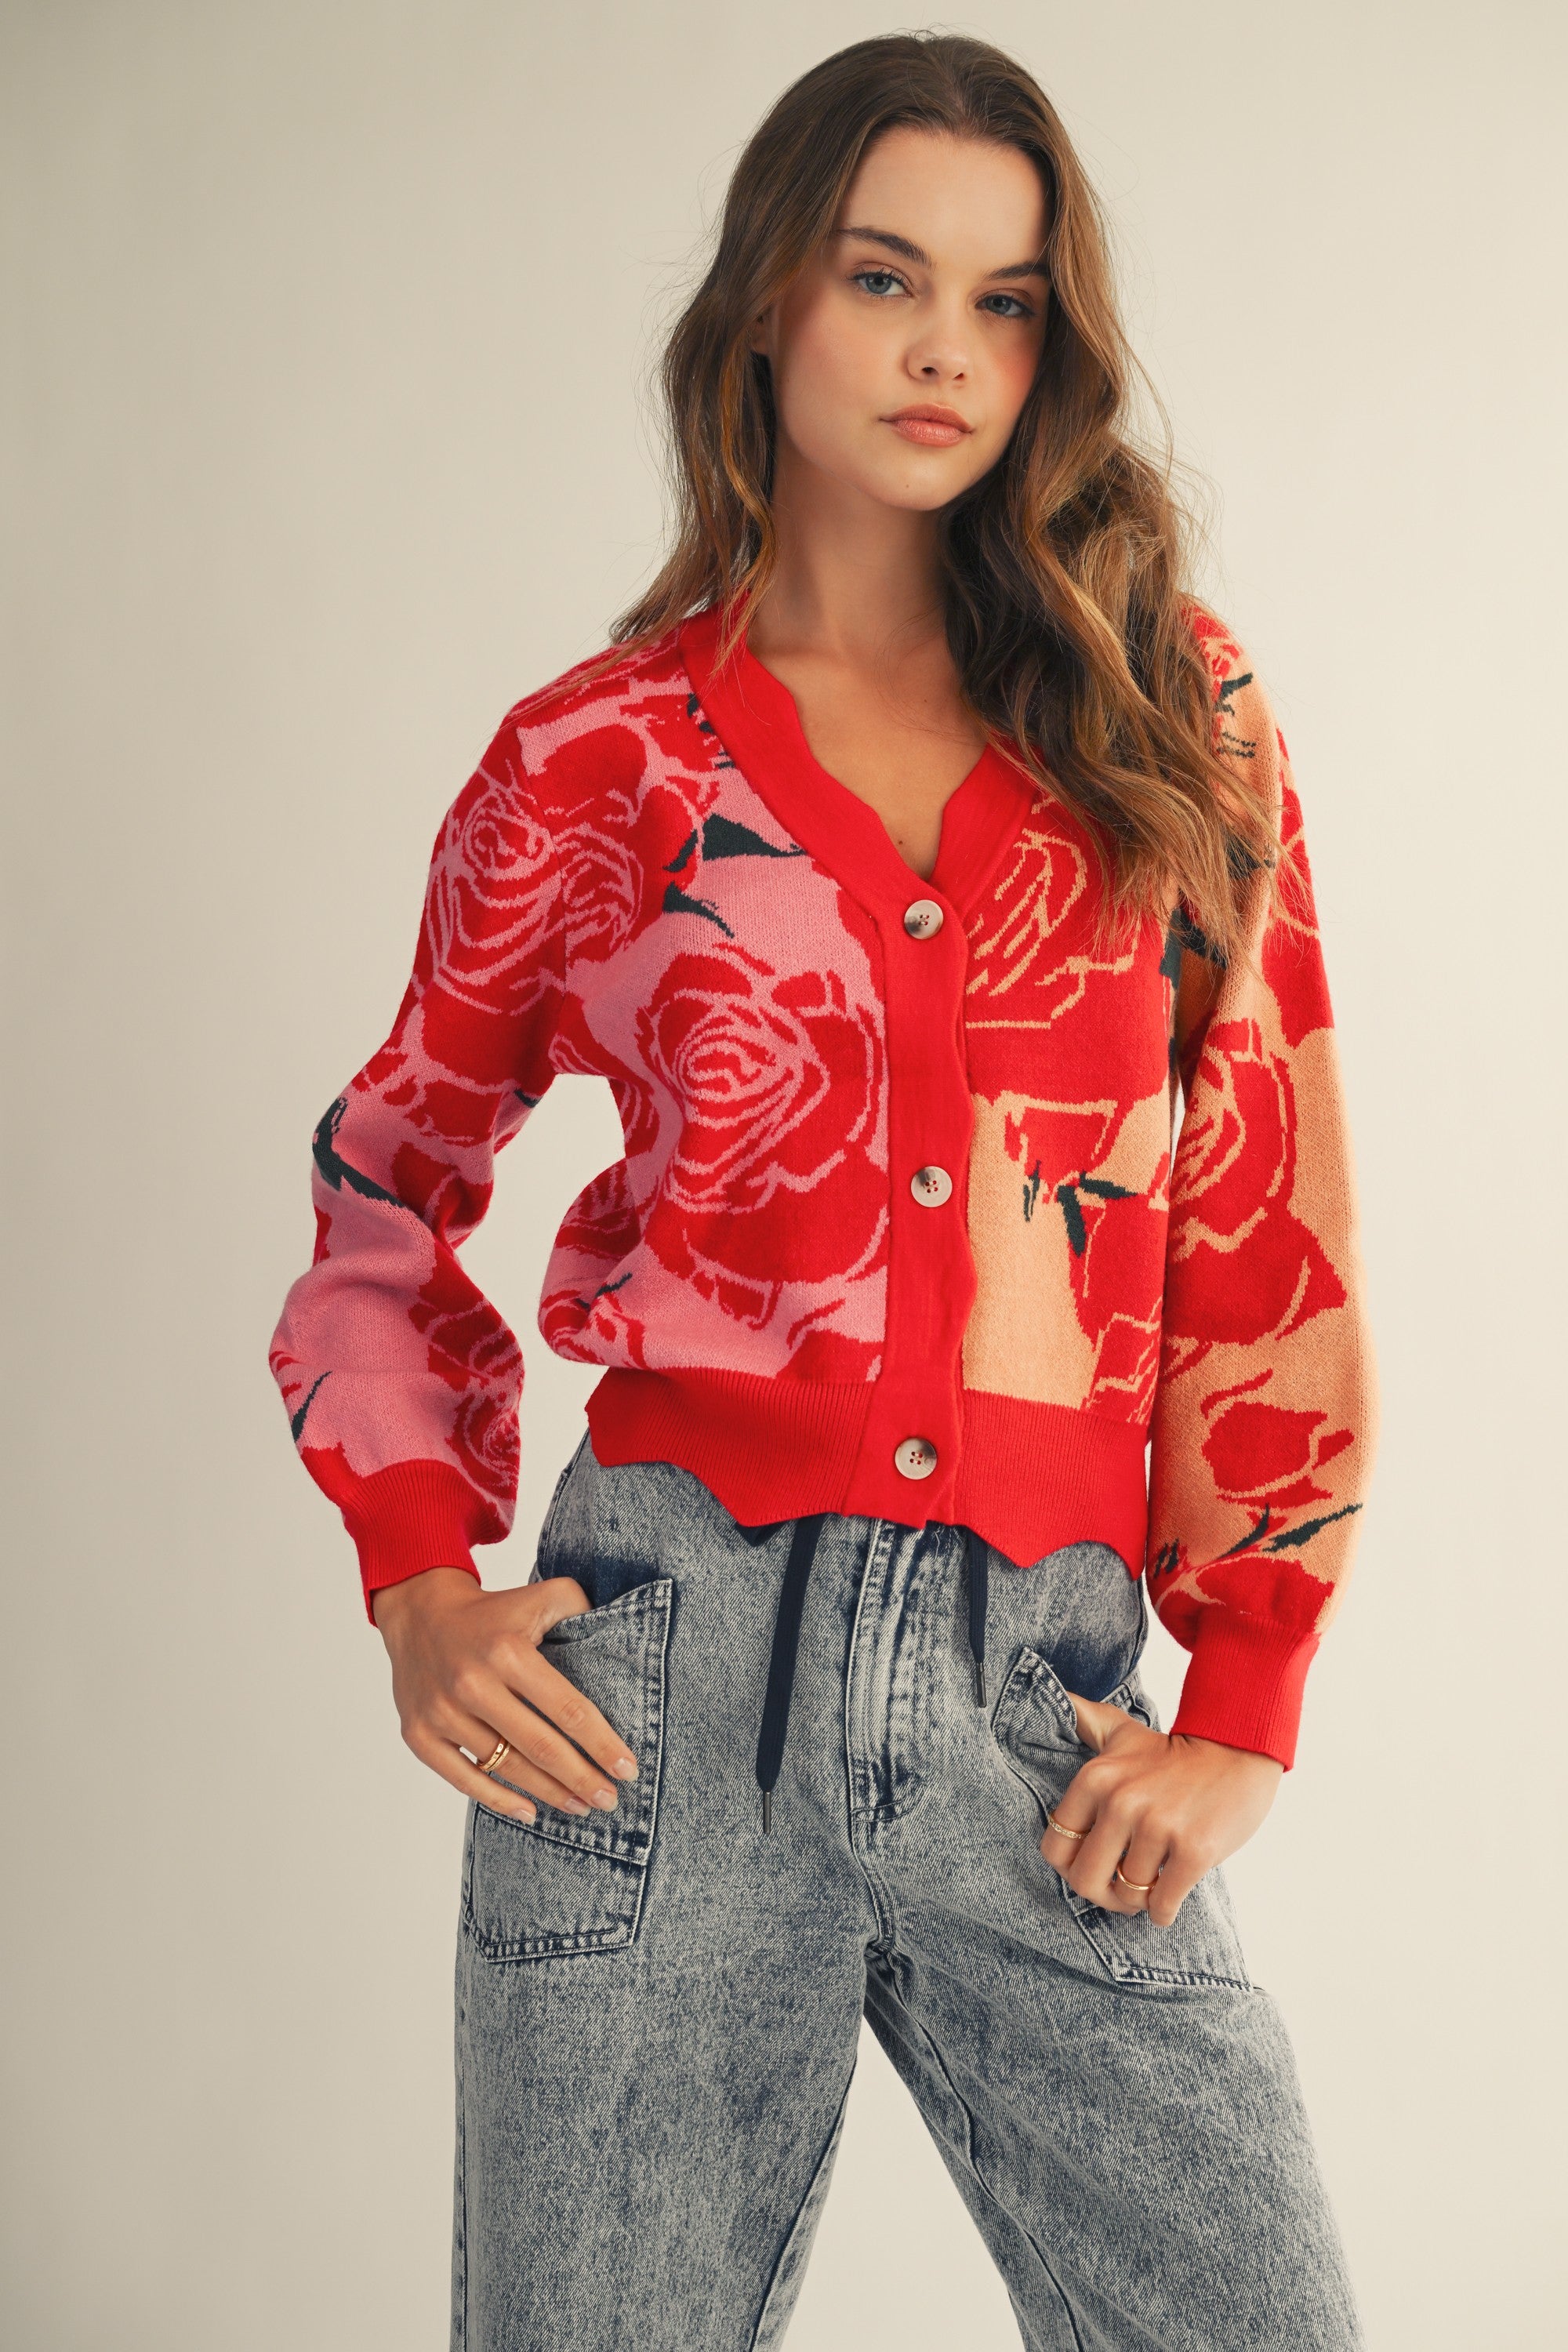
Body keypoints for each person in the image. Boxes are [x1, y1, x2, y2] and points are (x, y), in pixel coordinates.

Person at [267, 31, 1377, 2350]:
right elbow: (387, 1194)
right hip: (654, 1693)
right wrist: (420, 1585)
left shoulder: (1169, 719)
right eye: (885, 278)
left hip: (1047, 1717)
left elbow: (1265, 1193)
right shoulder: (598, 760)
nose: (945, 349)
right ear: (769, 300)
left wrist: (1249, 1684)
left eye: (1005, 301)